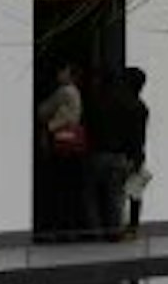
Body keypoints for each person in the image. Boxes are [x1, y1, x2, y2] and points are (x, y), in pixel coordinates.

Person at [94, 63, 151, 241]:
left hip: (103, 153)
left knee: (100, 195)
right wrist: (137, 158)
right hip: (127, 156)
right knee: (130, 193)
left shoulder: (108, 101)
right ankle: (127, 230)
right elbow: (138, 137)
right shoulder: (140, 107)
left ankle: (100, 231)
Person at [37, 62, 92, 240]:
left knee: (58, 188)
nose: (59, 74)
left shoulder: (64, 91)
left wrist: (49, 127)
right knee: (71, 189)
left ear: (70, 74)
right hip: (73, 145)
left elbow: (43, 111)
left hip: (62, 142)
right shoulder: (76, 91)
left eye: (63, 71)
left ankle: (59, 229)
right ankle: (72, 229)